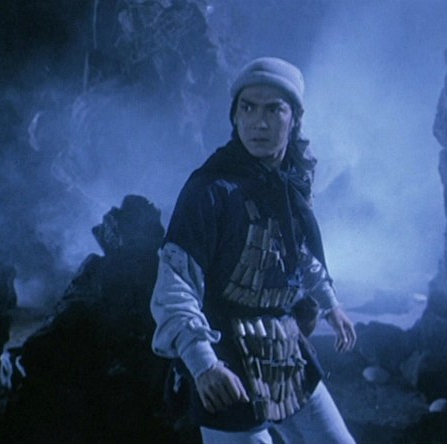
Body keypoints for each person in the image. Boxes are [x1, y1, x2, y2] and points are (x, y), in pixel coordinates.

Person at [150, 57, 357, 443]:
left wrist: (330, 304)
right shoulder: (208, 191)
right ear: (235, 115)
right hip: (224, 357)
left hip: (284, 347)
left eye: (273, 110)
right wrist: (203, 364)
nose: (258, 123)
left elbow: (298, 253)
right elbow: (176, 285)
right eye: (248, 108)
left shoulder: (288, 183)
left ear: (294, 119)